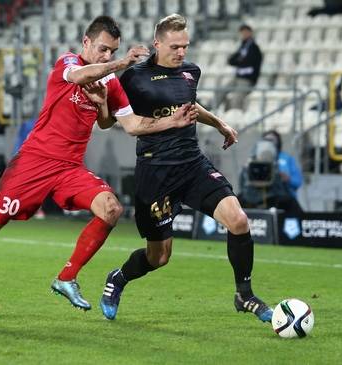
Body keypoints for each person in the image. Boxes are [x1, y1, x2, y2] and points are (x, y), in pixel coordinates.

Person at [0, 15, 198, 322]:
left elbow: (118, 124)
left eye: (112, 51)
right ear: (86, 42)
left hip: (69, 169)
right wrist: (122, 63)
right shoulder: (67, 63)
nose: (107, 55)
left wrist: (153, 115)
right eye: (103, 49)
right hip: (34, 163)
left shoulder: (110, 83)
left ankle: (66, 277)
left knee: (111, 209)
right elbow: (78, 76)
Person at [97, 14, 273, 323]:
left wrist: (220, 124)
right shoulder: (135, 78)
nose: (182, 53)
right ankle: (119, 278)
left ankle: (243, 295)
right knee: (159, 257)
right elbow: (111, 120)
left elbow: (191, 106)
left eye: (185, 46)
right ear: (158, 44)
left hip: (192, 165)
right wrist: (101, 104)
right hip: (156, 172)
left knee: (239, 220)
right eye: (175, 46)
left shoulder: (192, 72)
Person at [238, 130, 303, 217]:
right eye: (266, 140)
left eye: (272, 140)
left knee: (291, 204)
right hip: (253, 195)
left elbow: (297, 182)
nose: (268, 143)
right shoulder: (253, 160)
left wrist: (287, 178)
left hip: (277, 194)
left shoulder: (287, 158)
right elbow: (242, 184)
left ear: (278, 142)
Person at [220, 24, 262, 110]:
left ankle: (235, 117)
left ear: (250, 33)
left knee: (236, 98)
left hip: (247, 79)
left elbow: (249, 62)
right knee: (221, 90)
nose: (244, 35)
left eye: (246, 32)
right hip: (238, 77)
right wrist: (240, 61)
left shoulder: (254, 48)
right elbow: (231, 60)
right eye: (242, 33)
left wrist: (240, 61)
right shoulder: (242, 47)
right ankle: (209, 109)